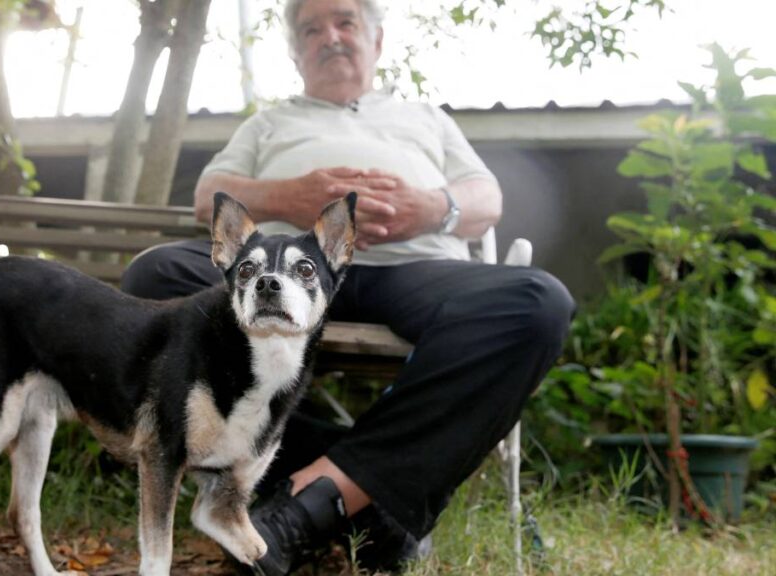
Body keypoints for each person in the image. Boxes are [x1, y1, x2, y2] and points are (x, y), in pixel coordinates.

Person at [120, 0, 575, 573]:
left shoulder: (425, 118)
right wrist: (290, 198)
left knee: (536, 304)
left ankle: (311, 502)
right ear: (295, 51)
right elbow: (207, 197)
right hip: (287, 270)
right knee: (153, 277)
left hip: (415, 267)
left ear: (376, 40)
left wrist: (432, 207)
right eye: (311, 29)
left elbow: (487, 201)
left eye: (345, 22)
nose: (330, 37)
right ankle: (360, 492)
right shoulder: (269, 122)